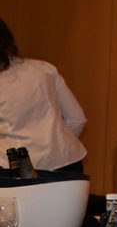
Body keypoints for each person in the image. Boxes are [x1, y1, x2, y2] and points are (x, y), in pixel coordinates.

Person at [0, 18, 87, 173]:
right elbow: (77, 119)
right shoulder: (44, 69)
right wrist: (56, 145)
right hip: (67, 163)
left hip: (20, 172)